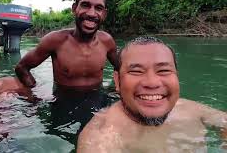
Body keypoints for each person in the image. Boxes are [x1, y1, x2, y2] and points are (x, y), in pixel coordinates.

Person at [77, 36, 227, 153]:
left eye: (163, 71)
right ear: (117, 81)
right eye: (136, 71)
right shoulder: (102, 135)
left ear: (176, 76)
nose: (152, 82)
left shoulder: (189, 108)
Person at [15, 0, 119, 91]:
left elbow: (121, 67)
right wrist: (34, 96)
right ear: (74, 9)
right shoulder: (55, 41)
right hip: (63, 102)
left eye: (98, 8)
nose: (92, 13)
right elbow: (22, 68)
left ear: (104, 14)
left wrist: (114, 90)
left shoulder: (107, 41)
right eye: (85, 5)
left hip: (99, 101)